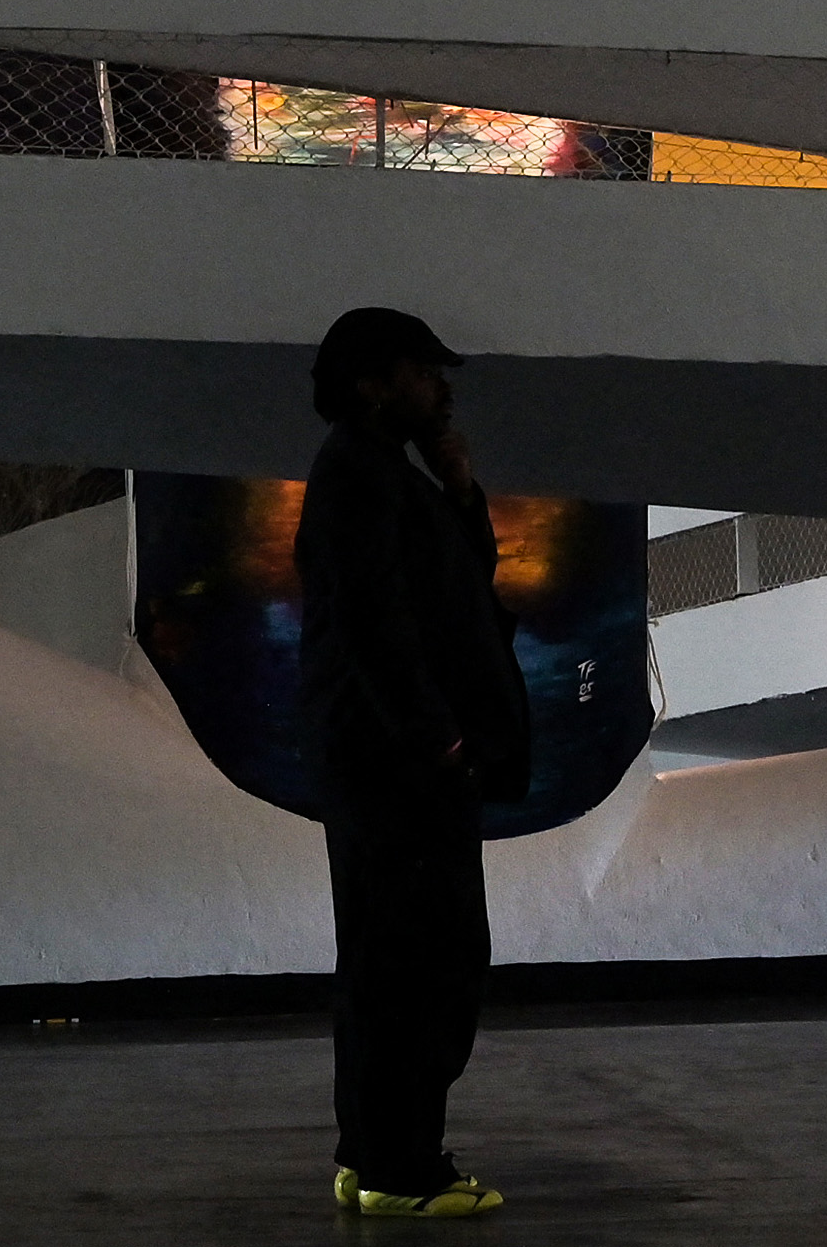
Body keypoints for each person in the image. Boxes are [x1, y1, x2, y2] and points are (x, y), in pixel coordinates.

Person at [297, 307, 526, 1221]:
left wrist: (460, 488)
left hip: (389, 763)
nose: (443, 388)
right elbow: (374, 622)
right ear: (373, 383)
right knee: (429, 962)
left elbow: (460, 589)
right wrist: (441, 739)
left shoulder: (386, 475)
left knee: (388, 961)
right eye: (424, 372)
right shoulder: (359, 474)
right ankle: (403, 1167)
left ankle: (372, 1155)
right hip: (400, 767)